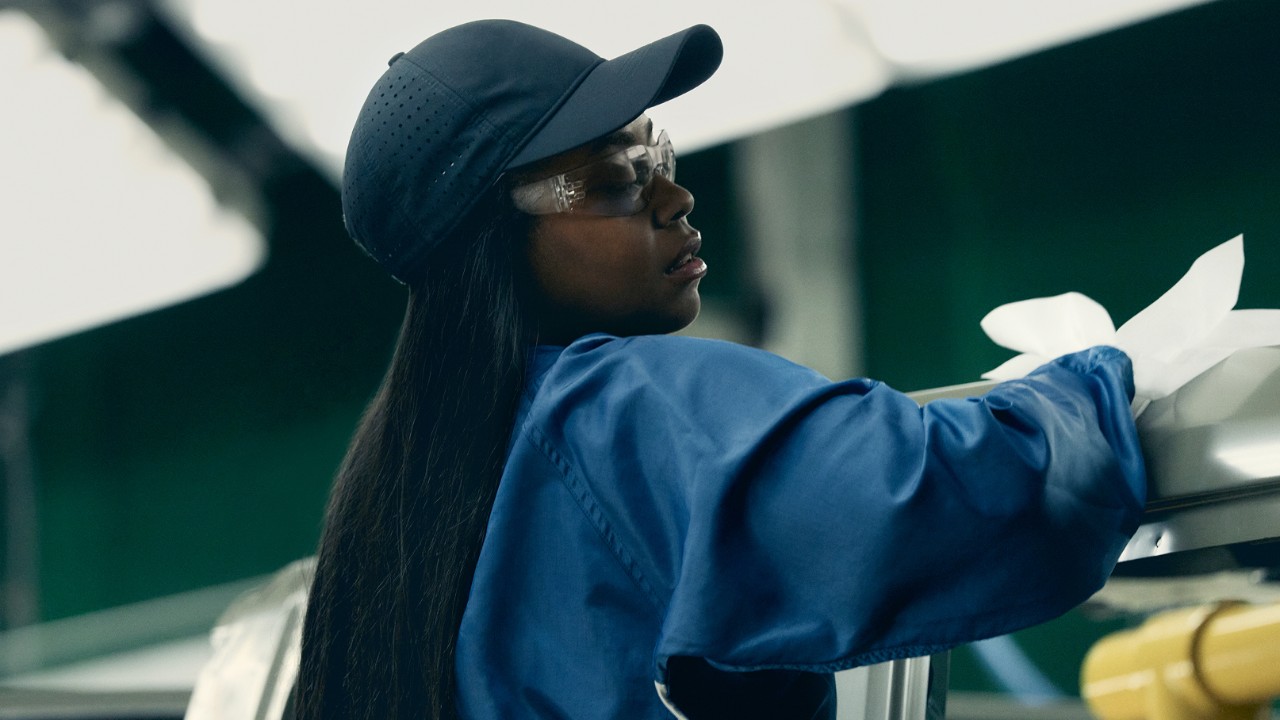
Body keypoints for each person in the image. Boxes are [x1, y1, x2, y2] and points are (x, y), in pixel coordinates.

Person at [296, 19, 1146, 720]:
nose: (673, 197)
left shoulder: (391, 521)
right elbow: (947, 494)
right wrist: (1105, 383)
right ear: (493, 241)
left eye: (655, 156)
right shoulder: (615, 405)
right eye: (614, 179)